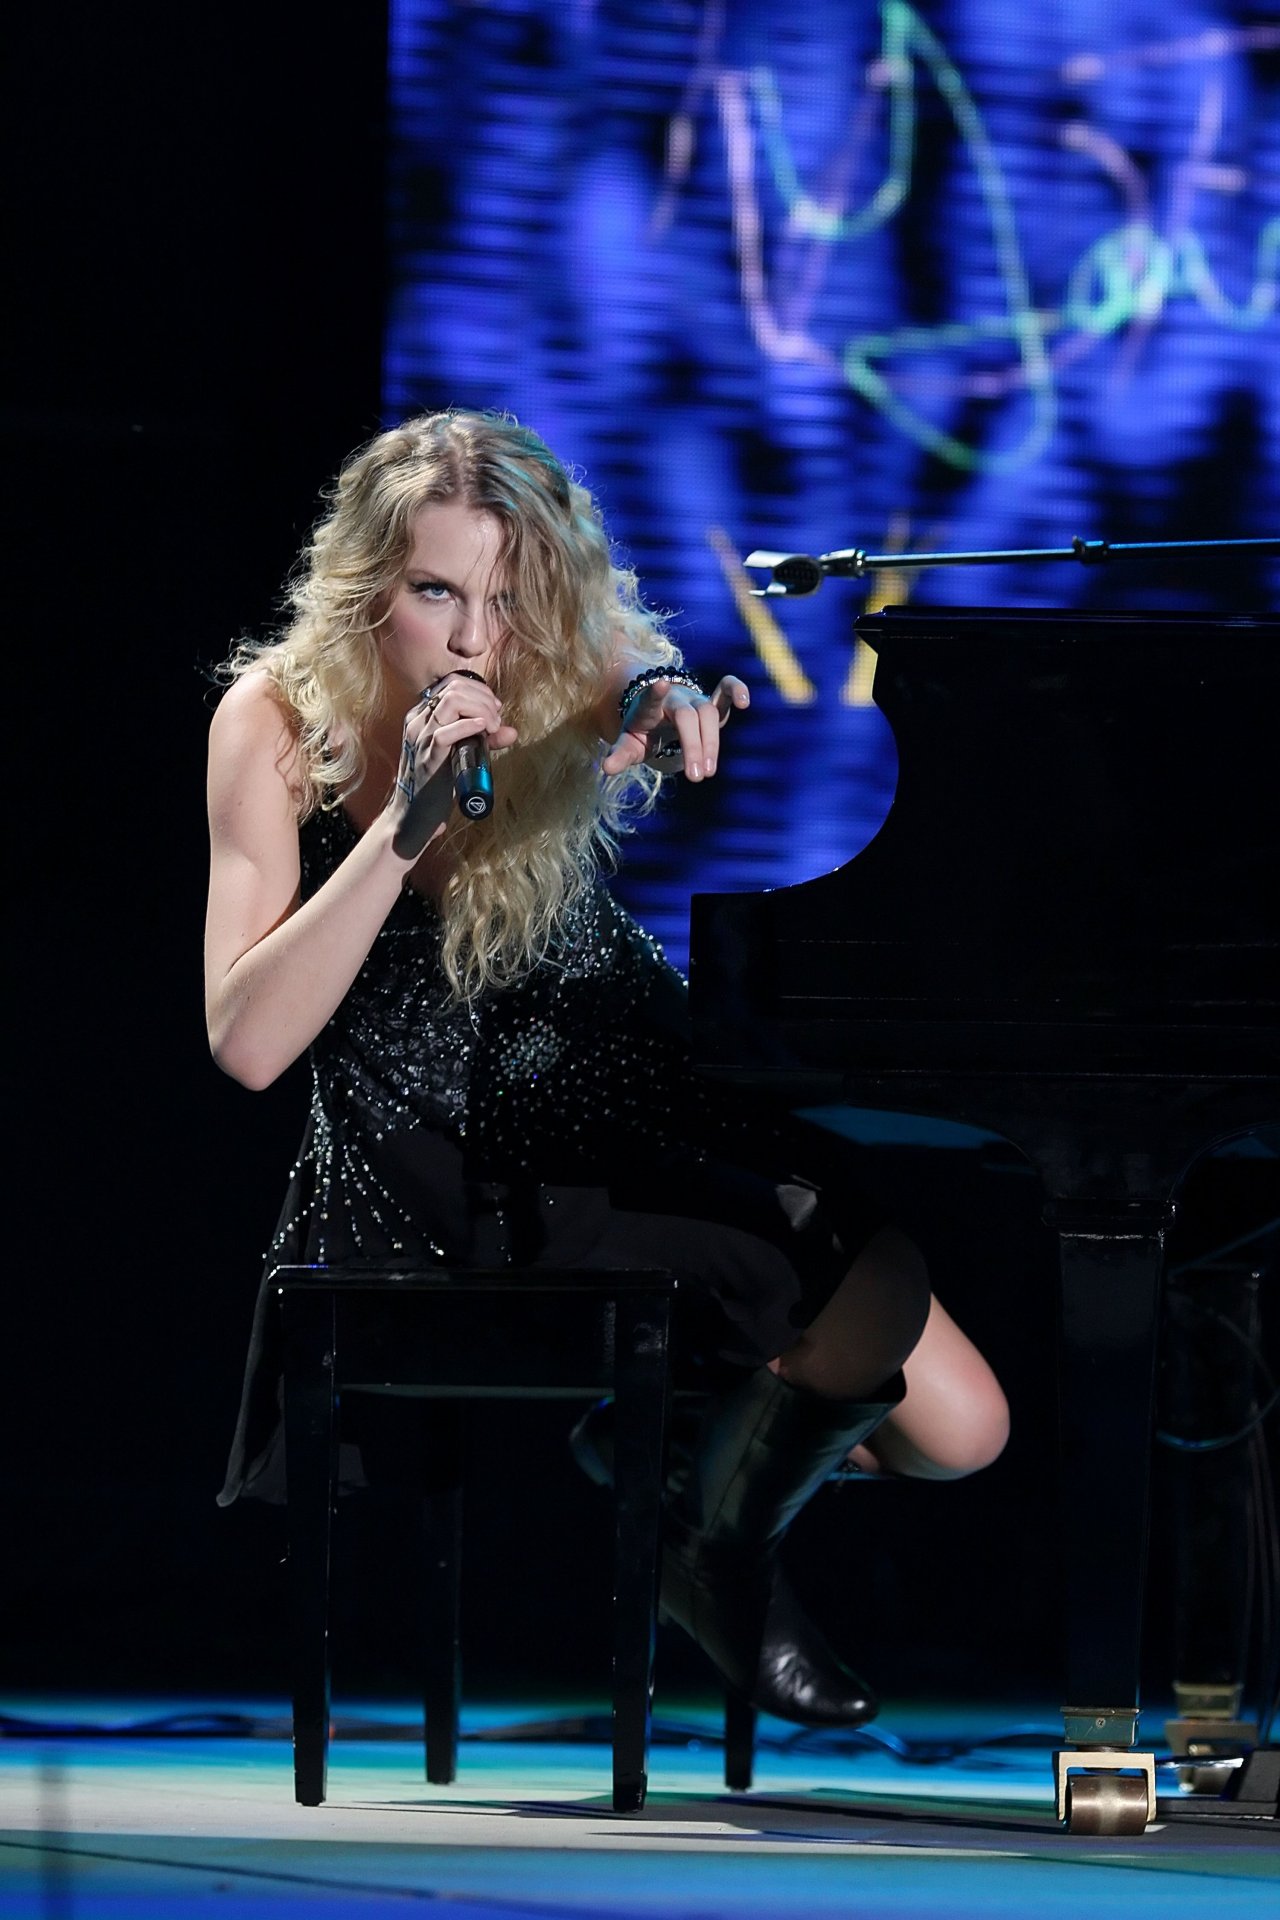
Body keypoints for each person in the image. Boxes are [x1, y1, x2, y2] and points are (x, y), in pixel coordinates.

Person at [207, 408, 1008, 1727]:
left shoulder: (546, 648)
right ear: (366, 587)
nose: (476, 641)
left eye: (508, 600)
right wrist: (402, 824)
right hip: (442, 1145)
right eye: (436, 594)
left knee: (963, 1433)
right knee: (859, 1284)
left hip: (623, 1077)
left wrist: (661, 695)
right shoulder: (276, 722)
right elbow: (245, 1044)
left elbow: (634, 670)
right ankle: (718, 1546)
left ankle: (695, 1473)